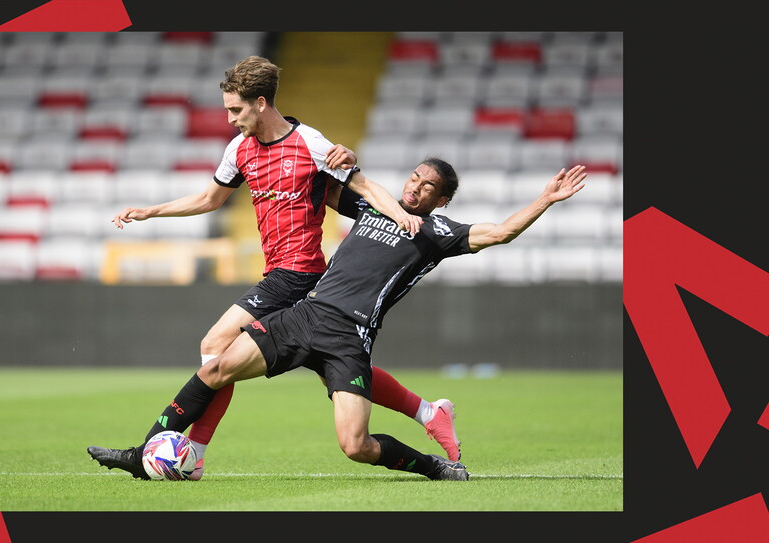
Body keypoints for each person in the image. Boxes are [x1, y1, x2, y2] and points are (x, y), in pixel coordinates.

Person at [88, 159, 589, 481]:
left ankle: (434, 467)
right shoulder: (374, 206)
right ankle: (148, 450)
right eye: (414, 177)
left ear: (443, 199)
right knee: (215, 365)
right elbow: (319, 183)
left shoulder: (439, 231)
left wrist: (545, 198)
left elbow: (500, 232)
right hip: (303, 316)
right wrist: (336, 159)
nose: (415, 188)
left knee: (356, 446)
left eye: (427, 186)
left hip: (349, 338)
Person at [95, 56, 461, 479]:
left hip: (300, 274)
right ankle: (428, 411)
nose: (230, 119)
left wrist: (397, 212)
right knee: (333, 371)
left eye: (236, 110)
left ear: (262, 103)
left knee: (215, 346)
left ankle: (177, 452)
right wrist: (152, 211)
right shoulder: (239, 149)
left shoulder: (311, 143)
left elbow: (362, 186)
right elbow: (210, 199)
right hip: (279, 274)